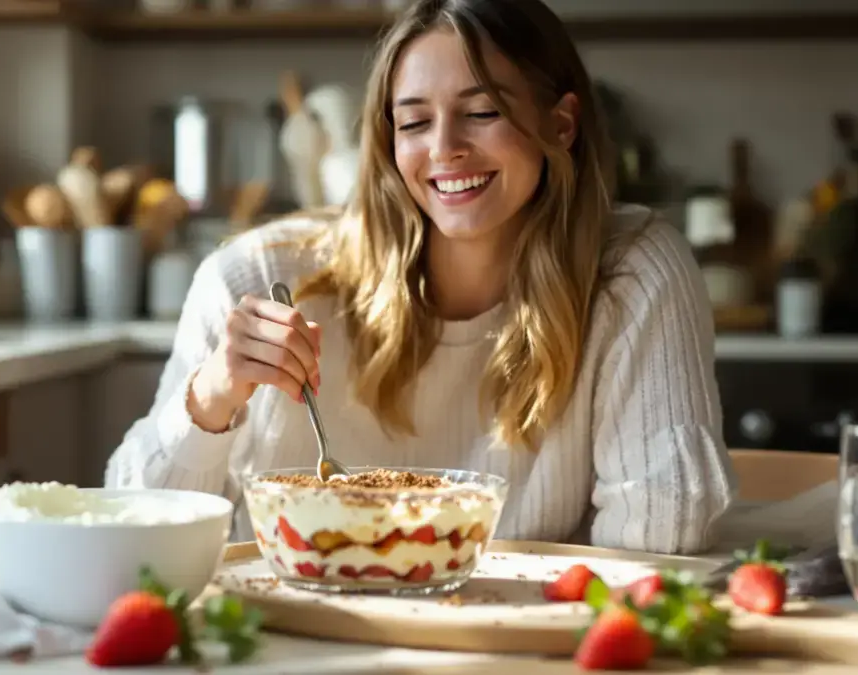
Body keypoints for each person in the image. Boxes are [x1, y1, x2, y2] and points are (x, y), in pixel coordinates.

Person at [106, 0, 736, 555]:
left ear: (560, 125)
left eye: (482, 111)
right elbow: (131, 526)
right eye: (412, 122)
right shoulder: (256, 274)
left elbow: (665, 534)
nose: (444, 148)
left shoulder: (631, 272)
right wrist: (213, 393)